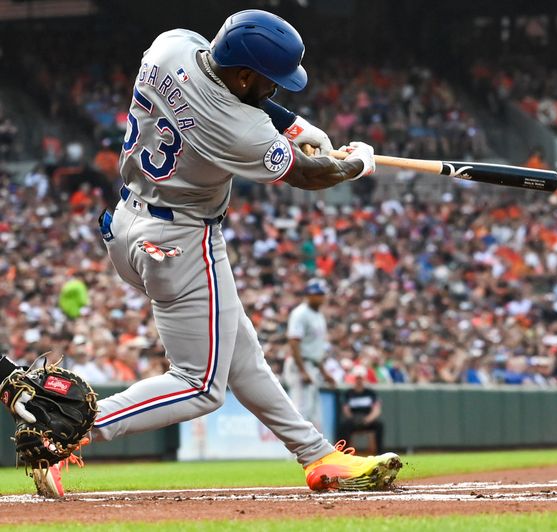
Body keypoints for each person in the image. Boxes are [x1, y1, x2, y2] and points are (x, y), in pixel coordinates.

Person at [6, 9, 400, 498]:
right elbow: (308, 175)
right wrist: (358, 164)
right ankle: (66, 433)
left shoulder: (170, 44)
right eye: (269, 82)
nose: (275, 91)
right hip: (182, 240)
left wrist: (296, 127)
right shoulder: (237, 130)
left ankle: (318, 456)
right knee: (199, 385)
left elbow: (240, 100)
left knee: (243, 357)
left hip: (130, 222)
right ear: (241, 74)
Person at [284, 278, 336, 429]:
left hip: (312, 365)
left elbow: (315, 349)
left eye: (322, 294)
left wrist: (324, 372)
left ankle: (315, 452)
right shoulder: (300, 313)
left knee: (313, 413)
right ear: (309, 294)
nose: (321, 297)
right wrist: (302, 370)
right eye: (318, 294)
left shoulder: (318, 315)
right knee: (300, 411)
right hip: (301, 365)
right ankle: (296, 452)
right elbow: (294, 342)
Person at [338, 366, 385, 453]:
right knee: (343, 426)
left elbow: (377, 409)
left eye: (361, 378)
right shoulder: (348, 393)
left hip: (367, 419)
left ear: (364, 379)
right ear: (354, 379)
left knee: (380, 425)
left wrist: (368, 419)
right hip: (353, 419)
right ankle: (344, 453)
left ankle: (380, 453)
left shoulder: (371, 393)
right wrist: (352, 418)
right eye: (357, 378)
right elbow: (345, 409)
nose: (359, 381)